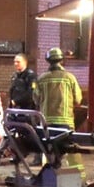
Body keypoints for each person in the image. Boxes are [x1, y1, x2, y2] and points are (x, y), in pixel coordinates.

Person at [37, 47, 84, 177]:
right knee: (71, 151)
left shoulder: (41, 79)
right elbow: (78, 100)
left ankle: (48, 179)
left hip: (47, 124)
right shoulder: (70, 78)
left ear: (48, 61)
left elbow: (35, 99)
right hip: (66, 123)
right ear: (61, 60)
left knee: (48, 151)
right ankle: (79, 179)